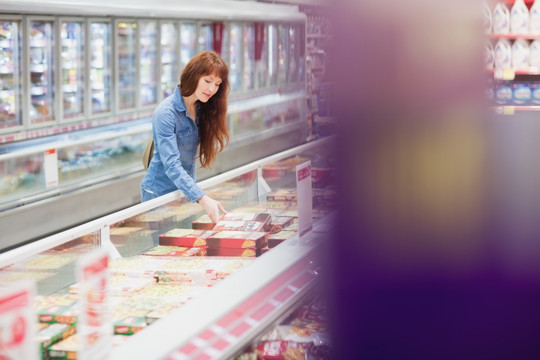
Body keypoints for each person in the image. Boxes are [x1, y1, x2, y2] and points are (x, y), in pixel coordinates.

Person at [141, 51, 229, 223]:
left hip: (182, 193)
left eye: (217, 84)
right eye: (207, 81)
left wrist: (195, 194)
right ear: (194, 75)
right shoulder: (166, 113)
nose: (212, 89)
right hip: (159, 196)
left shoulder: (200, 108)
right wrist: (202, 197)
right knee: (164, 248)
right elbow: (172, 165)